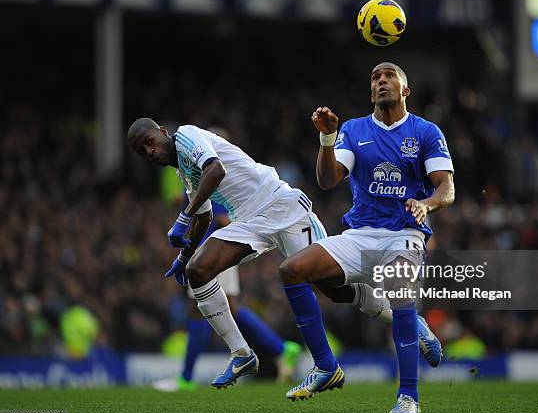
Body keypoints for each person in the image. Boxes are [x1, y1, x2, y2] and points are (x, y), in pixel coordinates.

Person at [127, 117, 391, 393]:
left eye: (149, 143)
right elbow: (204, 218)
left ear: (162, 133)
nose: (149, 152)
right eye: (141, 152)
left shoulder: (186, 136)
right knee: (198, 270)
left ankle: (399, 317)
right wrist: (183, 258)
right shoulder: (184, 172)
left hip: (281, 205)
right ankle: (242, 353)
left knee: (333, 288)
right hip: (249, 221)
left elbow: (215, 170)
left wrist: (183, 216)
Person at [279, 62, 455, 413]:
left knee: (400, 291)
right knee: (292, 269)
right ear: (371, 91)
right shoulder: (355, 129)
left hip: (404, 232)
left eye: (390, 76)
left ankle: (408, 397)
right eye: (376, 78)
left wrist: (427, 204)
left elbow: (446, 188)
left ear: (405, 90)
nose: (382, 81)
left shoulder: (425, 131)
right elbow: (328, 180)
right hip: (360, 233)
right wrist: (327, 139)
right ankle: (326, 366)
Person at [153, 201, 302, 392]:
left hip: (210, 251)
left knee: (200, 309)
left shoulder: (204, 175)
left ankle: (186, 378)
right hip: (214, 248)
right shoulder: (194, 177)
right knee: (230, 309)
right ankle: (282, 349)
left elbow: (223, 218)